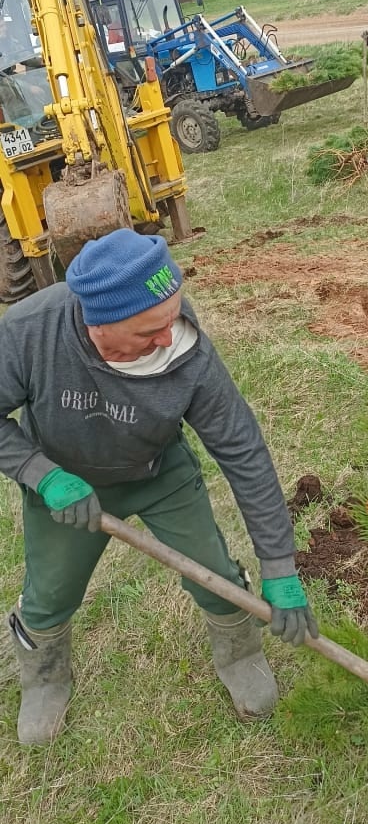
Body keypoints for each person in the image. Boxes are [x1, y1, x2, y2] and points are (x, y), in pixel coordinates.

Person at [1, 229, 318, 746]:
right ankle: (45, 677)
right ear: (98, 326)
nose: (168, 337)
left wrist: (279, 565)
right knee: (49, 594)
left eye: (172, 317)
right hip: (64, 485)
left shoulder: (186, 348)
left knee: (214, 573)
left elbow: (242, 450)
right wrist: (43, 476)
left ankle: (240, 652)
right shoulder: (29, 331)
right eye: (150, 331)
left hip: (157, 474)